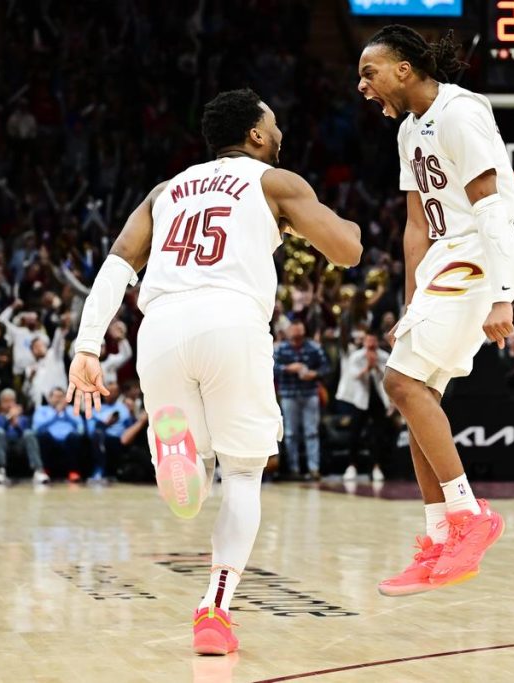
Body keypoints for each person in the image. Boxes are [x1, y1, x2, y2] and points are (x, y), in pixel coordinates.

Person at [62, 89, 361, 654]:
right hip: (230, 321)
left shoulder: (165, 191)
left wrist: (88, 348)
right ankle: (214, 611)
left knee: (192, 475)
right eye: (273, 124)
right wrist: (324, 225)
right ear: (254, 134)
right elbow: (346, 251)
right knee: (245, 474)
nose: (280, 133)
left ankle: (183, 463)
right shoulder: (276, 183)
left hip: (161, 328)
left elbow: (116, 267)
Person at [357, 25, 514, 596]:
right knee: (414, 398)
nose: (363, 85)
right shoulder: (408, 130)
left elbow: (494, 208)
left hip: (475, 253)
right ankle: (439, 538)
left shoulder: (459, 113)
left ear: (404, 68)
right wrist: (411, 303)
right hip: (440, 266)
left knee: (401, 383)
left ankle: (470, 517)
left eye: (368, 72)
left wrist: (505, 291)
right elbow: (415, 225)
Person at [273, 321, 331, 480]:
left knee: (311, 432)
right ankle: (294, 469)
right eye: (295, 334)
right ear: (290, 332)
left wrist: (314, 374)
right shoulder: (281, 348)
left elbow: (326, 367)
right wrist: (288, 368)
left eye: (300, 334)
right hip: (289, 394)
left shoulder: (313, 347)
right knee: (290, 433)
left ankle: (314, 469)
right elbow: (271, 367)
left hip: (310, 393)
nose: (297, 337)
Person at [334, 332, 391, 482]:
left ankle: (376, 467)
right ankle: (352, 466)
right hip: (360, 400)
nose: (371, 344)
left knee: (378, 434)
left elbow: (388, 377)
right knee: (355, 433)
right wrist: (367, 367)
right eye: (368, 341)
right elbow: (353, 376)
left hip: (378, 399)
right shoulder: (356, 357)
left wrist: (376, 367)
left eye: (374, 341)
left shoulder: (384, 356)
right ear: (364, 342)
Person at [0, 388, 48, 485]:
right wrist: (8, 418)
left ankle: (38, 471)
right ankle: (0, 471)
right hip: (4, 446)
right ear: (0, 404)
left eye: (11, 401)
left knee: (29, 433)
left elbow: (28, 434)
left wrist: (17, 425)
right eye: (5, 401)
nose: (9, 404)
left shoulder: (23, 418)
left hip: (20, 446)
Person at [31, 386, 85, 481]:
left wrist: (67, 415)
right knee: (43, 437)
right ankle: (45, 471)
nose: (58, 399)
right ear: (50, 398)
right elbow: (36, 429)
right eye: (56, 397)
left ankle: (73, 472)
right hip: (50, 439)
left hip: (68, 440)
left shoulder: (71, 410)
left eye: (61, 397)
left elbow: (81, 429)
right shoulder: (42, 410)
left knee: (74, 437)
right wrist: (55, 413)